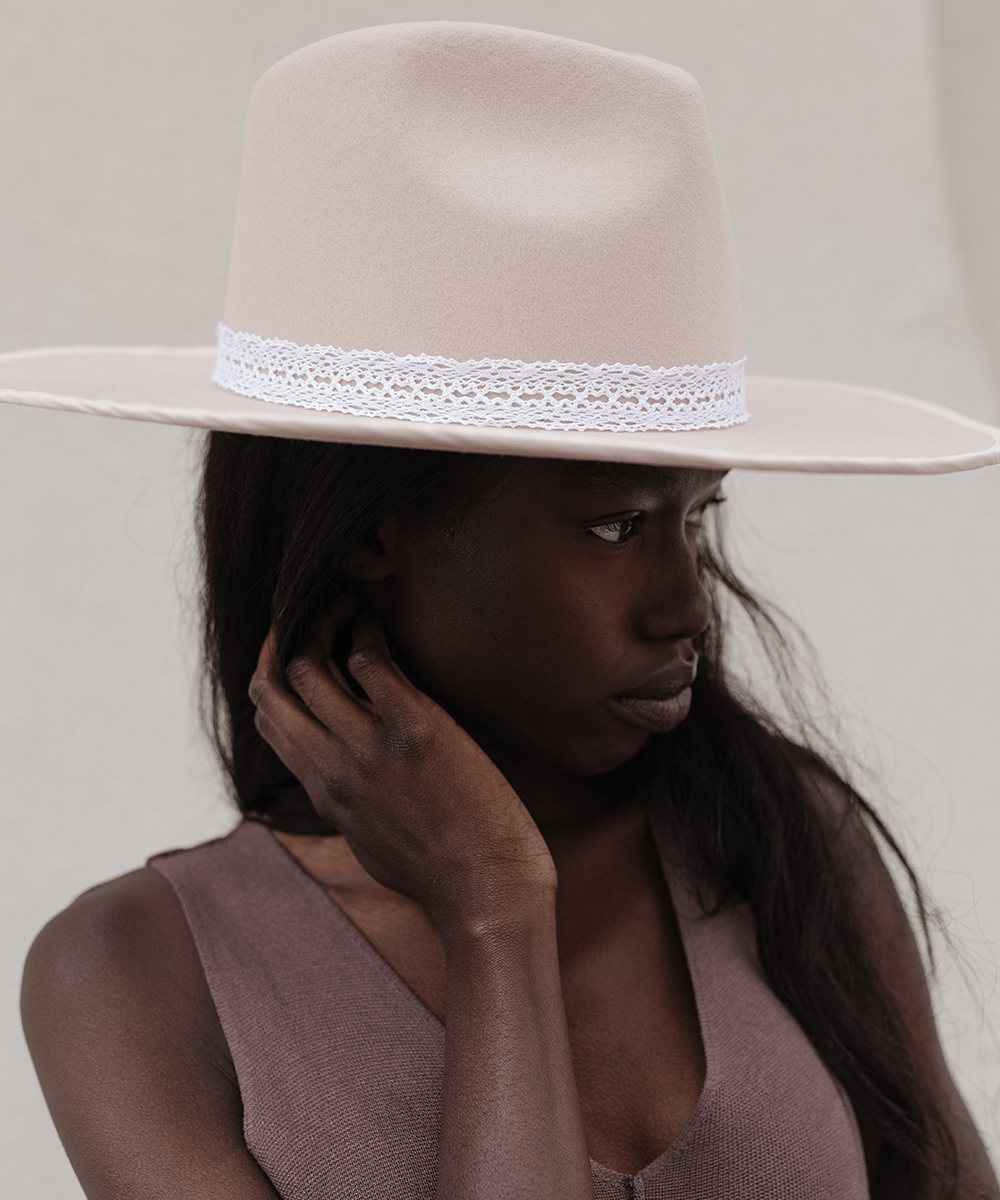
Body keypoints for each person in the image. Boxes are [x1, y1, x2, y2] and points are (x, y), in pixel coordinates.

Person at [4, 21, 1000, 1200]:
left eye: (697, 519)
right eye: (616, 526)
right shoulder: (135, 974)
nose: (685, 606)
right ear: (375, 531)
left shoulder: (779, 841)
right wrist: (493, 915)